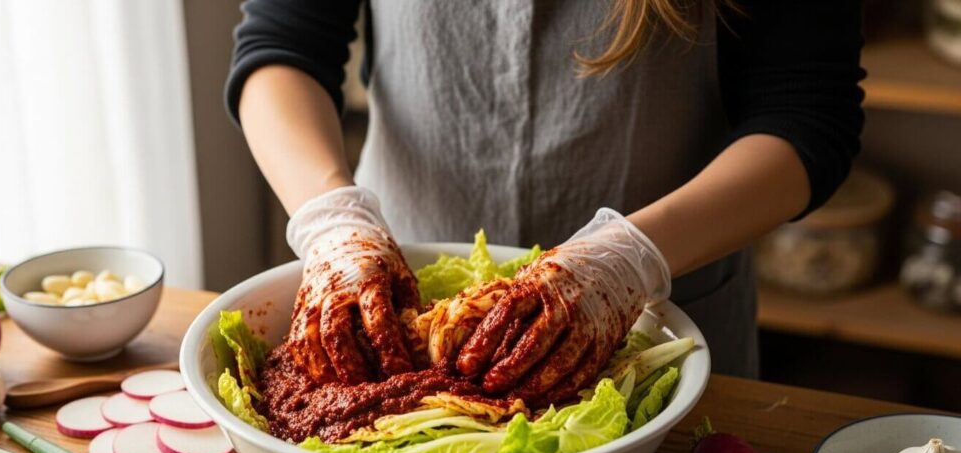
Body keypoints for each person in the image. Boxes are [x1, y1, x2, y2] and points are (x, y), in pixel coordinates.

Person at [225, 1, 864, 393]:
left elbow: (808, 115)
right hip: (395, 290)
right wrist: (333, 221)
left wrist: (632, 256)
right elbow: (284, 46)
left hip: (657, 305)